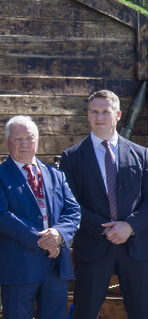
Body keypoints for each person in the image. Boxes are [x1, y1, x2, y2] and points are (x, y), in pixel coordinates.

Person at [60, 90, 148, 318]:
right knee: (85, 312)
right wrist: (105, 228)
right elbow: (70, 203)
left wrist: (129, 226)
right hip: (93, 246)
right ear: (88, 115)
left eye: (105, 112)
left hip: (136, 248)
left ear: (117, 114)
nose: (99, 117)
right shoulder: (72, 157)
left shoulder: (141, 155)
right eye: (94, 112)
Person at [0, 116, 80, 319]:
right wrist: (45, 241)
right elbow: (0, 216)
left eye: (30, 138)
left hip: (55, 267)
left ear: (37, 140)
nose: (25, 144)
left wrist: (58, 234)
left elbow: (73, 212)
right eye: (18, 139)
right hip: (19, 267)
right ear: (7, 142)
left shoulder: (56, 174)